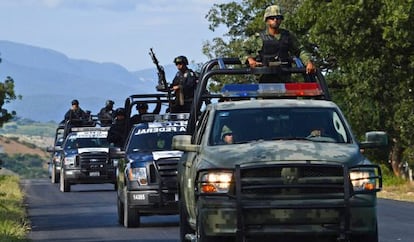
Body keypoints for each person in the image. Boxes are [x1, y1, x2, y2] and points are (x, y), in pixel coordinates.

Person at [242, 5, 316, 82]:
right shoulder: (258, 38)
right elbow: (243, 50)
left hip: (284, 78)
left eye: (278, 18)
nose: (275, 20)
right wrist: (249, 59)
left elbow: (300, 50)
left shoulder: (287, 36)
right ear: (266, 20)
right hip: (264, 79)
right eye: (272, 18)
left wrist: (308, 62)